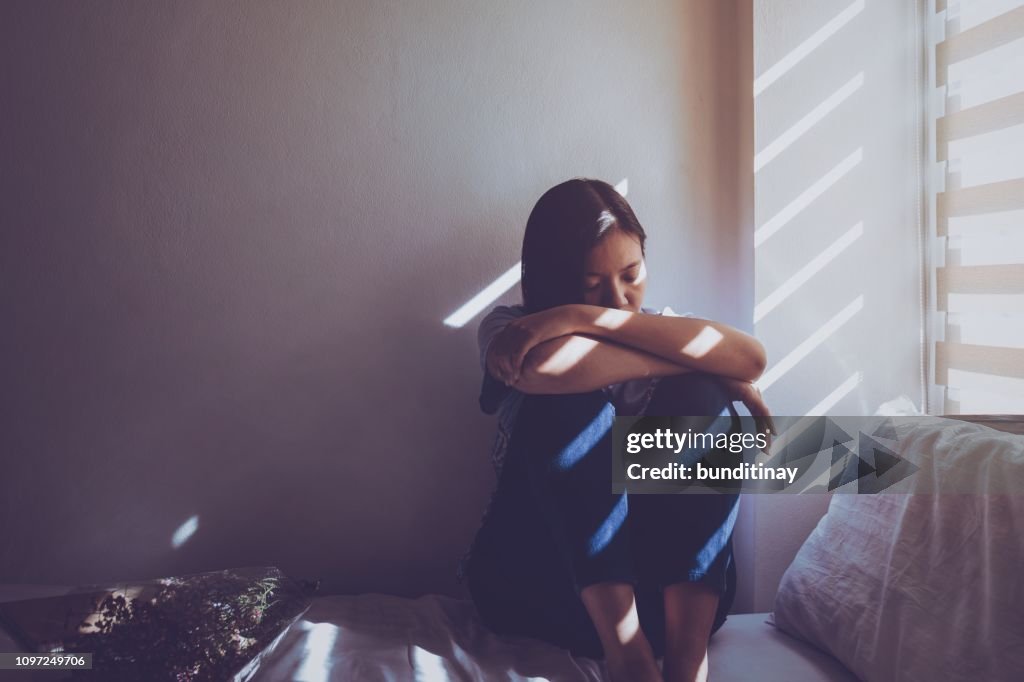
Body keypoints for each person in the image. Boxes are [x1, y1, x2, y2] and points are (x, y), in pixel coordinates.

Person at [464, 178, 772, 682]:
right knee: (566, 408)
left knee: (703, 404)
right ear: (552, 280)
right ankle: (626, 658)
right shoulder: (512, 328)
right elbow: (546, 370)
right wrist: (706, 365)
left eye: (632, 274)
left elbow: (752, 357)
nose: (618, 299)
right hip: (537, 587)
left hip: (668, 606)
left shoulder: (662, 330)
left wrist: (583, 316)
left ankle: (687, 661)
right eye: (590, 287)